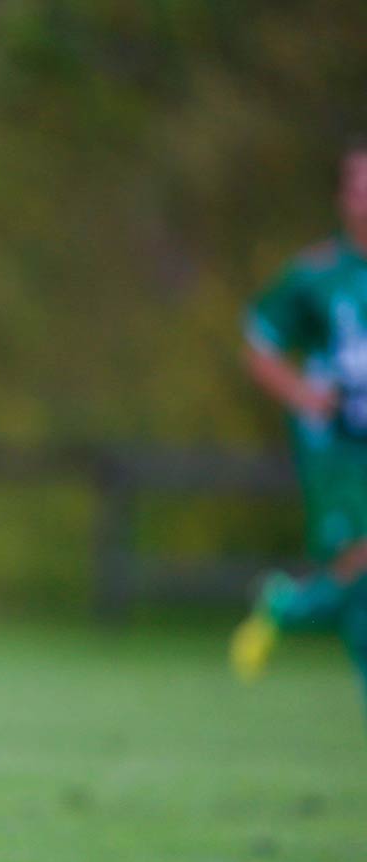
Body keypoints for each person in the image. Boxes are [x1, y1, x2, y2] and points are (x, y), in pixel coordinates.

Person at [231, 137, 367, 716]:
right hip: (336, 447)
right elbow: (258, 346)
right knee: (358, 567)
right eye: (359, 186)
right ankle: (287, 608)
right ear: (342, 197)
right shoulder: (315, 275)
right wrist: (305, 397)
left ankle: (286, 606)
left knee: (357, 579)